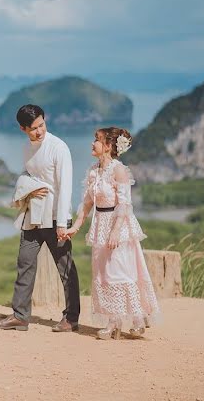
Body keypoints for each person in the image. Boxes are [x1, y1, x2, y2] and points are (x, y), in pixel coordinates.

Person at [0, 104, 80, 332]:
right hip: (33, 215)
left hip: (55, 217)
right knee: (25, 262)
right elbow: (27, 174)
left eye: (42, 125)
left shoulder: (59, 147)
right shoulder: (27, 148)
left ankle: (71, 318)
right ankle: (20, 316)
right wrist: (28, 189)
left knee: (65, 268)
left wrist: (62, 223)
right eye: (34, 128)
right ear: (23, 129)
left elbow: (65, 186)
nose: (39, 131)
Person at [67, 126, 161, 339]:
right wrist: (76, 226)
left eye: (97, 140)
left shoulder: (118, 170)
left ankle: (136, 319)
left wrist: (116, 231)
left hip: (118, 225)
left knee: (120, 270)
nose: (93, 143)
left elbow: (125, 204)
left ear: (108, 146)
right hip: (100, 224)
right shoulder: (93, 171)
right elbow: (87, 203)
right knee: (103, 273)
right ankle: (113, 321)